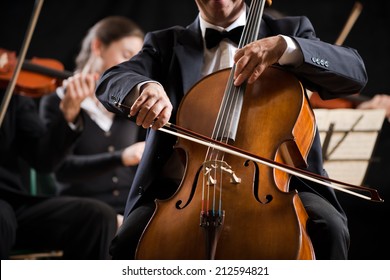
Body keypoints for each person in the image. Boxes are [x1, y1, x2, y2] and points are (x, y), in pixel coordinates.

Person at [95, 0, 367, 260]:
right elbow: (111, 81)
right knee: (128, 241)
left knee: (329, 227)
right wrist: (144, 88)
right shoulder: (165, 43)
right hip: (182, 190)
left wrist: (285, 48)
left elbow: (354, 73)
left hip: (277, 184)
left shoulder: (287, 32)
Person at [39, 16, 146, 227]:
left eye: (137, 58)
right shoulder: (57, 100)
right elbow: (60, 168)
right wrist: (121, 157)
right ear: (98, 46)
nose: (133, 66)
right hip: (83, 211)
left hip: (129, 208)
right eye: (127, 55)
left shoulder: (128, 104)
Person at [0, 88, 117, 259]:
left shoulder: (10, 93)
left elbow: (43, 160)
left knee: (99, 216)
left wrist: (68, 116)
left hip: (12, 204)